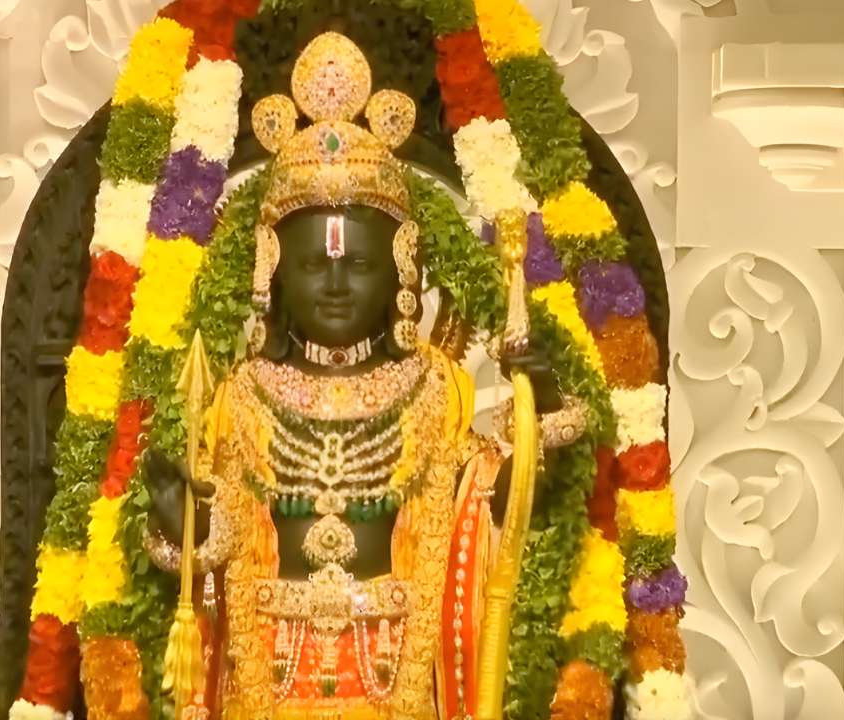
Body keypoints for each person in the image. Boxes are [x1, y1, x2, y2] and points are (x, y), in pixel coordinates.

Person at [137, 33, 585, 720]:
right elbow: (224, 543)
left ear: (403, 271)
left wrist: (538, 416)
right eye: (314, 266)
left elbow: (482, 512)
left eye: (360, 265)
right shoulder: (246, 393)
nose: (337, 284)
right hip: (268, 678)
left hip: (398, 674)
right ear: (272, 274)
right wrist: (183, 517)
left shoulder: (432, 391)